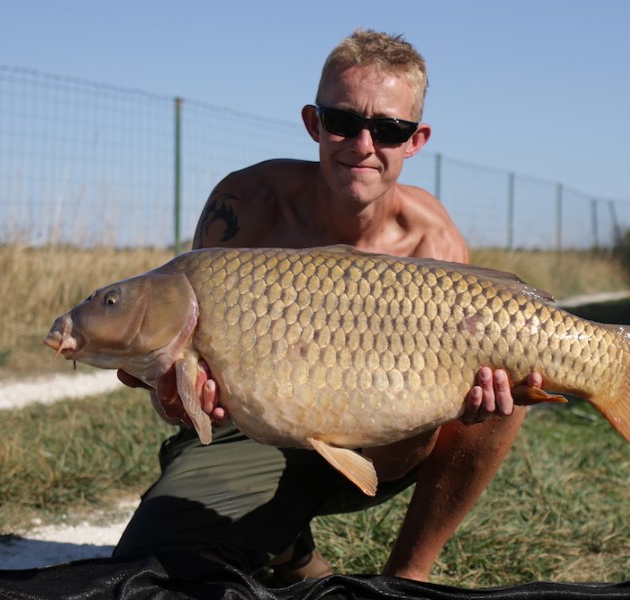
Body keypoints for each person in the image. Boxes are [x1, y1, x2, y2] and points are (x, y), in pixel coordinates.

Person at [113, 29, 542, 584]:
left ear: (415, 140)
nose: (363, 144)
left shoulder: (432, 245)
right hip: (252, 431)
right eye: (343, 121)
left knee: (504, 388)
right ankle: (288, 550)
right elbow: (182, 367)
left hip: (380, 437)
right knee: (152, 572)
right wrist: (176, 399)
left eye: (388, 129)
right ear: (314, 124)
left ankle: (407, 578)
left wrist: (447, 410)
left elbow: (403, 452)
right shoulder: (247, 205)